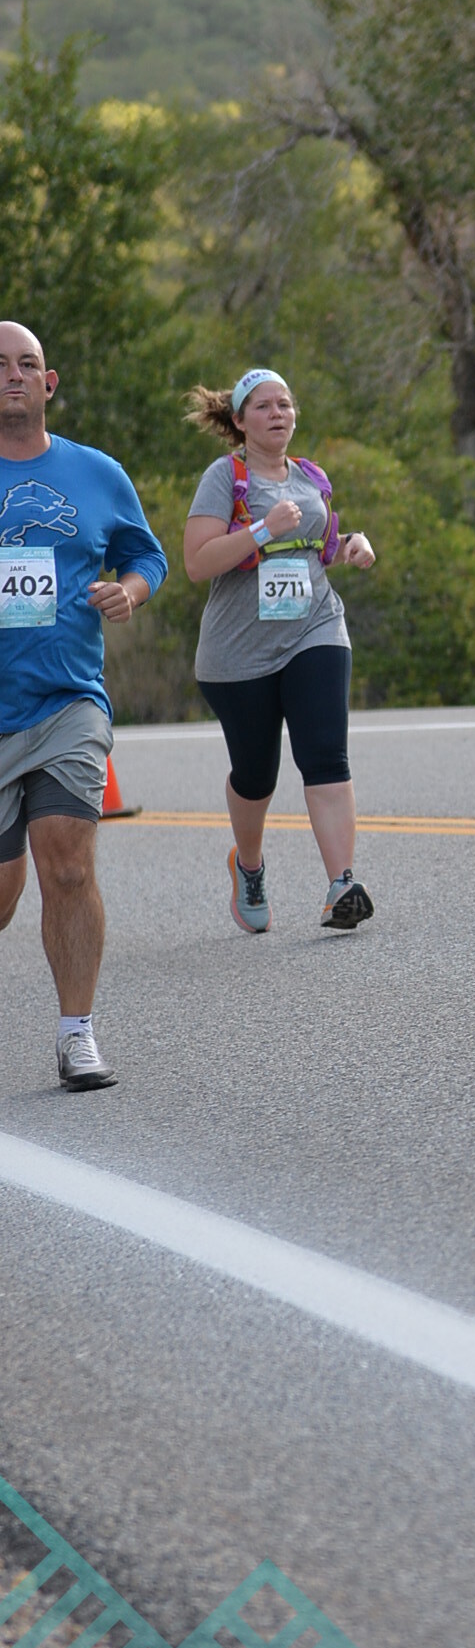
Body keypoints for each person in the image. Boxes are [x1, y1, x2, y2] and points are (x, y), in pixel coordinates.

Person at [0, 320, 167, 1088]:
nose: (13, 375)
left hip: (68, 701)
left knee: (67, 865)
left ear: (49, 382)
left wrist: (129, 591)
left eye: (26, 363)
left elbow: (146, 554)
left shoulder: (96, 473)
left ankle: (77, 1035)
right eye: (0, 365)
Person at [182, 368, 377, 933]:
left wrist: (352, 544)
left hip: (315, 628)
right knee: (256, 775)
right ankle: (249, 865)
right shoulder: (225, 477)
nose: (278, 414)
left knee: (326, 755)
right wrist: (262, 529)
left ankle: (342, 884)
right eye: (264, 406)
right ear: (240, 421)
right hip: (239, 652)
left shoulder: (311, 476)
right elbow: (197, 562)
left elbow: (318, 548)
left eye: (285, 404)